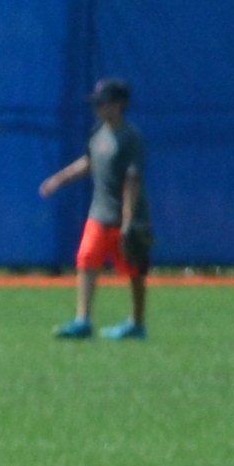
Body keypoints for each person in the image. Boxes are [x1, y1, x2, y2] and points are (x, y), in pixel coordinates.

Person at [46, 78, 151, 339]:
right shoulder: (98, 132)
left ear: (118, 105)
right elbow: (88, 162)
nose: (97, 107)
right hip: (99, 214)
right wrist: (60, 179)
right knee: (86, 258)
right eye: (96, 103)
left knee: (134, 269)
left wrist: (128, 221)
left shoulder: (130, 137)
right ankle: (83, 320)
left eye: (102, 102)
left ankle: (136, 324)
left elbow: (133, 179)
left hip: (127, 216)